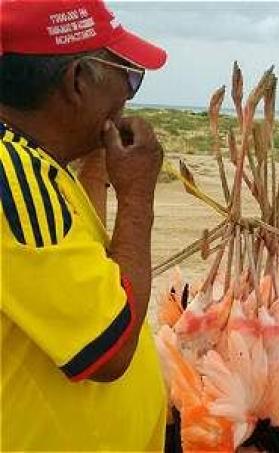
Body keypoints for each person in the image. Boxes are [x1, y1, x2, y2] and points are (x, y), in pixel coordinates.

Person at [1, 0, 169, 449]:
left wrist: (94, 166)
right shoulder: (13, 182)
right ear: (78, 81)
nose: (129, 97)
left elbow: (87, 275)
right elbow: (110, 351)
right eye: (128, 77)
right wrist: (138, 198)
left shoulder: (34, 165)